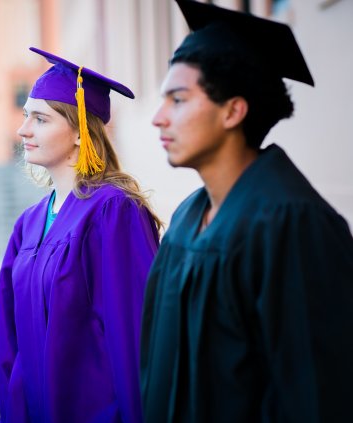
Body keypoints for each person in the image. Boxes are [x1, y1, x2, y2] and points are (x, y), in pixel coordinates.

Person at [140, 1, 353, 422]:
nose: (157, 118)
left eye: (178, 100)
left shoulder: (293, 225)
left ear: (233, 111)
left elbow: (316, 394)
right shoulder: (187, 218)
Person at [0, 47, 161, 422]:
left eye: (40, 119)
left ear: (78, 132)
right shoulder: (28, 224)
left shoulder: (114, 212)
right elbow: (9, 341)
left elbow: (134, 336)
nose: (23, 130)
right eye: (25, 116)